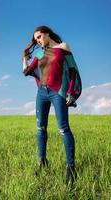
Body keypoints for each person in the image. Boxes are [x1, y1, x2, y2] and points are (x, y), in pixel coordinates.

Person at [22, 25, 82, 184]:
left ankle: (71, 167)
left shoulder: (63, 47)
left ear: (47, 34)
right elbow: (27, 71)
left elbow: (73, 70)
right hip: (42, 93)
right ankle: (42, 162)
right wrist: (24, 58)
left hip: (59, 92)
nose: (39, 41)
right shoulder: (40, 52)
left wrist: (71, 92)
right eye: (36, 40)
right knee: (40, 128)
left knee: (63, 128)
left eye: (40, 37)